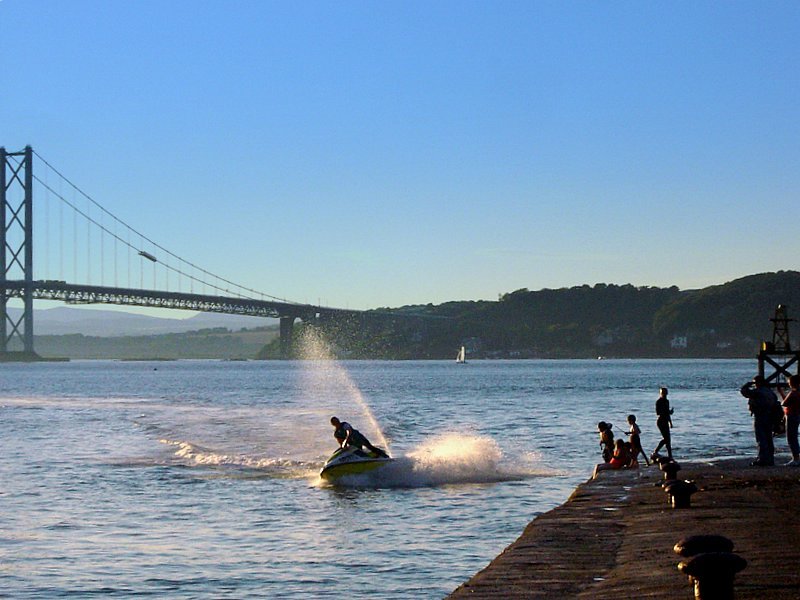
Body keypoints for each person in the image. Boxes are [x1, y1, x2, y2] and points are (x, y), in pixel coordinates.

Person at [740, 375, 779, 466]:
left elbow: (744, 392)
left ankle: (763, 459)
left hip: (760, 416)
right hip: (770, 417)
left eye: (755, 383)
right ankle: (770, 458)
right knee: (769, 438)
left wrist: (747, 385)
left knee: (761, 438)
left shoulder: (758, 392)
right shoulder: (770, 392)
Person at [778, 374, 800, 466]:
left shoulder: (793, 393)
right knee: (794, 437)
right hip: (797, 414)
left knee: (791, 437)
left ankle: (795, 458)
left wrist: (782, 393)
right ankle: (797, 457)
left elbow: (784, 403)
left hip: (792, 415)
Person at [651, 387, 674, 461]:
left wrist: (670, 422)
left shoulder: (667, 401)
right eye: (662, 393)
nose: (664, 394)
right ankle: (656, 451)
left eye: (665, 393)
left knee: (668, 439)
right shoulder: (659, 401)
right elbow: (658, 413)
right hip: (661, 421)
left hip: (665, 420)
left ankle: (670, 455)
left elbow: (667, 413)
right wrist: (667, 412)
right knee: (666, 439)